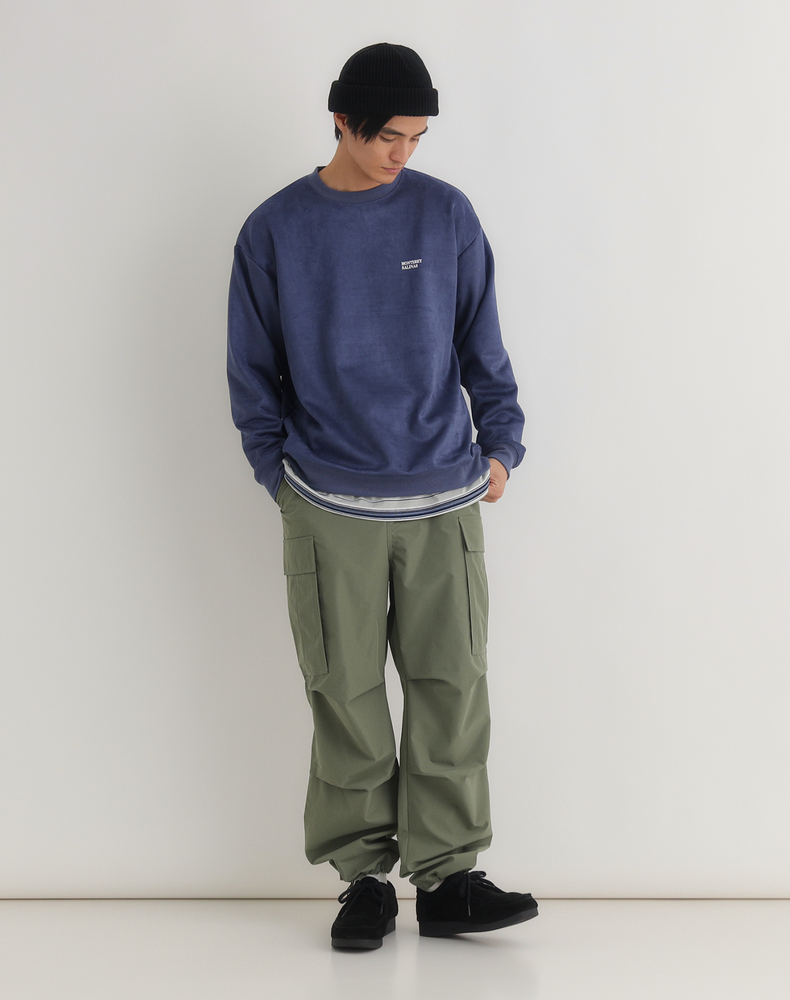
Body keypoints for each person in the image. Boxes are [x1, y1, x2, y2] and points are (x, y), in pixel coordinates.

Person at [227, 42, 537, 950]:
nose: (402, 153)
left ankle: (447, 880)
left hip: (444, 499)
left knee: (452, 687)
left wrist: (503, 444)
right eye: (387, 136)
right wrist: (279, 478)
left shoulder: (446, 214)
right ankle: (363, 880)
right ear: (341, 120)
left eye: (416, 138)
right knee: (345, 691)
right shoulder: (276, 229)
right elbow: (251, 372)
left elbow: (482, 340)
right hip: (328, 504)